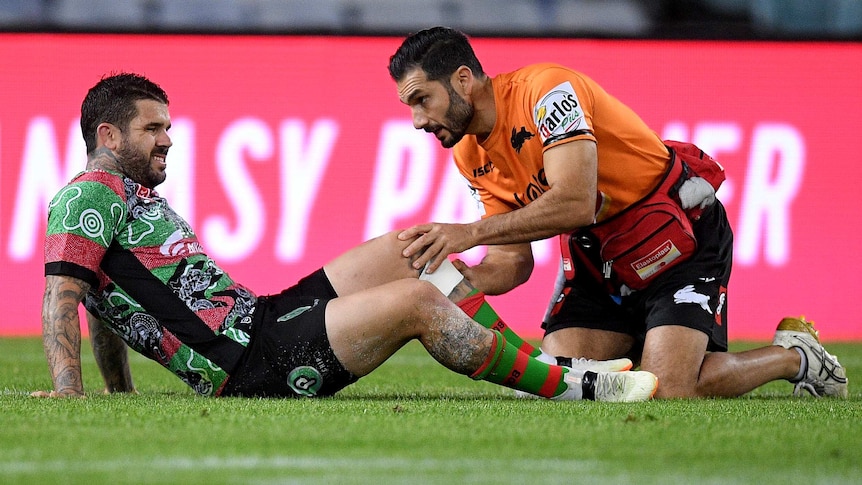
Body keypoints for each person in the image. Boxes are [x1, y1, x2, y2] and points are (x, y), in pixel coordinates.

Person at [32, 72, 659, 402]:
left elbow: (98, 301)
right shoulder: (86, 196)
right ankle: (579, 385)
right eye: (152, 128)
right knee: (418, 304)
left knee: (408, 247)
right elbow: (65, 295)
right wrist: (70, 393)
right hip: (247, 365)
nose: (168, 138)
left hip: (261, 321)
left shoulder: (125, 201)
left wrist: (116, 395)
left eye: (168, 125)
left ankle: (548, 363)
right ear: (109, 136)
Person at [387, 27, 848, 399]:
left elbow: (575, 201)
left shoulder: (548, 92)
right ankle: (653, 340)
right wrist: (454, 285)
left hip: (677, 239)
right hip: (598, 259)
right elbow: (513, 262)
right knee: (560, 382)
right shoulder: (468, 153)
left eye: (422, 99)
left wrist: (467, 233)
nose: (417, 121)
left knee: (668, 388)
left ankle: (794, 356)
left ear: (463, 80)